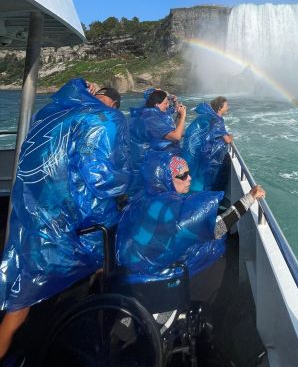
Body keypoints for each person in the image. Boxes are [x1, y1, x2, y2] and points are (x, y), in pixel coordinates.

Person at [0, 79, 132, 360]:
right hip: (65, 225)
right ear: (113, 104)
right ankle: (90, 334)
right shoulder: (103, 119)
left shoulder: (51, 113)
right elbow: (99, 179)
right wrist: (127, 182)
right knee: (99, 261)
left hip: (31, 215)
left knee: (20, 301)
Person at [116, 153, 265, 303]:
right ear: (167, 179)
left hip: (130, 266)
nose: (189, 178)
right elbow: (218, 228)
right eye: (183, 175)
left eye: (189, 173)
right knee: (217, 252)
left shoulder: (146, 196)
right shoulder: (171, 210)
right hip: (150, 277)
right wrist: (249, 198)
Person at [128, 89, 187, 193]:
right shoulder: (151, 118)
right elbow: (176, 136)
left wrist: (177, 108)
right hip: (155, 163)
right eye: (166, 103)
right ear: (156, 104)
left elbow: (171, 130)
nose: (168, 106)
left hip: (159, 160)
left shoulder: (155, 114)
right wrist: (183, 116)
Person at [182, 96, 233, 192]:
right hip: (211, 154)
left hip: (204, 150)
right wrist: (231, 136)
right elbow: (227, 140)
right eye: (226, 106)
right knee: (210, 176)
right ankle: (207, 193)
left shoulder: (210, 118)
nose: (228, 108)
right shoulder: (218, 120)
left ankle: (197, 189)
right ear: (220, 108)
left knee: (201, 173)